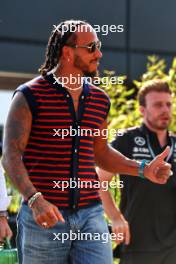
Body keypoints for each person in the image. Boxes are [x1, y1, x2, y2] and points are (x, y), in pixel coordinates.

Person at [1, 20, 171, 264]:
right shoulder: (29, 96)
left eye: (98, 46)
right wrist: (35, 200)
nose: (99, 54)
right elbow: (10, 156)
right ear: (68, 53)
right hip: (44, 218)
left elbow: (100, 152)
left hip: (91, 215)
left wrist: (143, 169)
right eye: (91, 47)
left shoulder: (100, 100)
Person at [97, 79, 176, 264]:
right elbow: (99, 180)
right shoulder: (126, 139)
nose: (165, 109)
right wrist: (115, 218)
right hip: (138, 244)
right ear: (142, 110)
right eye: (158, 105)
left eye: (168, 104)